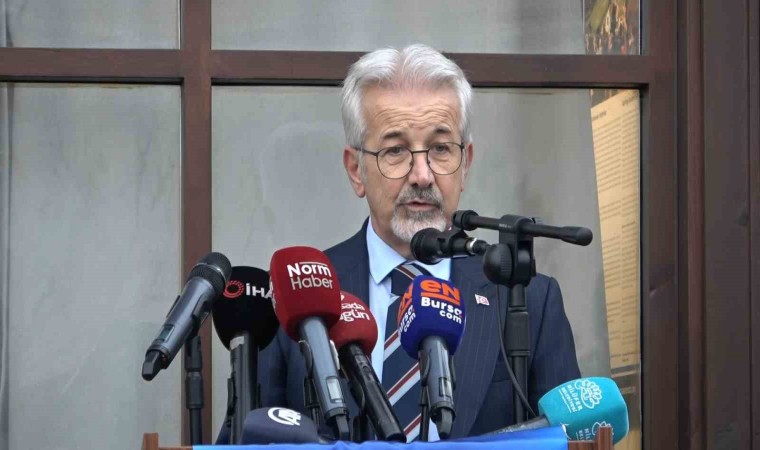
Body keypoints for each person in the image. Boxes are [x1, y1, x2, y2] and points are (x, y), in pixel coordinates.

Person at [219, 44, 580, 443]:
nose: (422, 175)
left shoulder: (525, 299)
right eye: (395, 150)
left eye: (440, 149)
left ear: (465, 164)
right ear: (356, 170)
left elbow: (569, 438)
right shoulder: (295, 297)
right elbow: (243, 442)